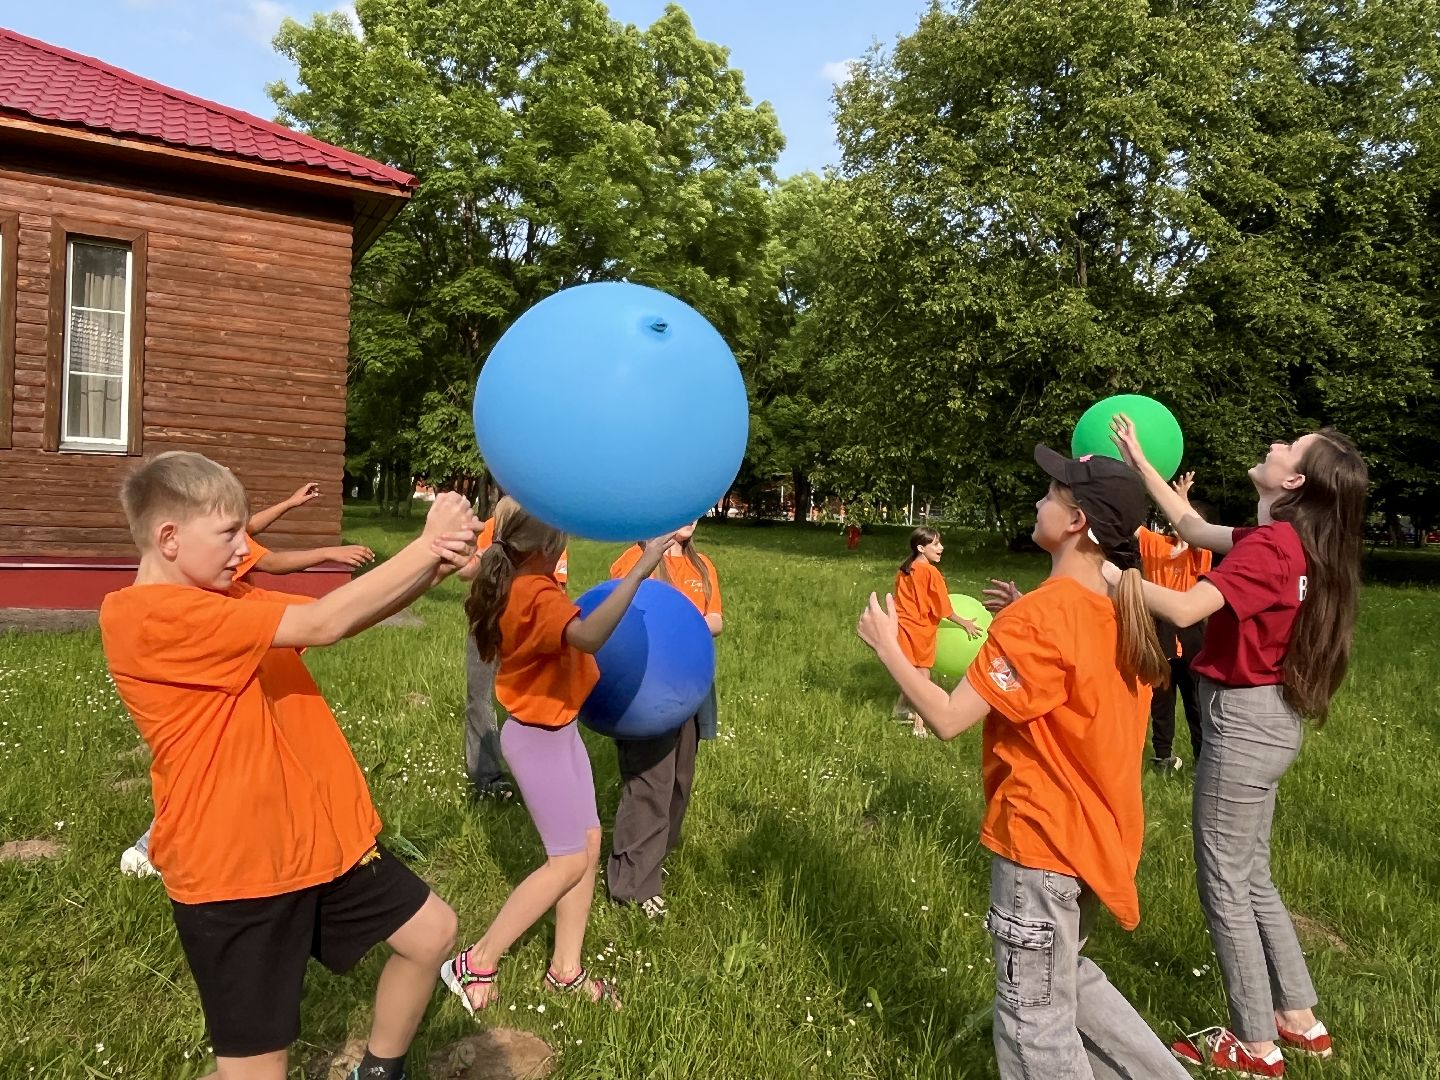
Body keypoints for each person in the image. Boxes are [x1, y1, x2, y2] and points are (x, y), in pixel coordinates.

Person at [100, 451, 480, 1080]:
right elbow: (323, 622)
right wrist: (429, 542)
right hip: (236, 871)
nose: (242, 548)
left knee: (431, 933)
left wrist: (434, 562)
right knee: (258, 1068)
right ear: (168, 538)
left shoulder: (225, 598)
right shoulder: (150, 617)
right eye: (228, 534)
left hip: (313, 843)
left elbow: (345, 613)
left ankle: (379, 1070)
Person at [857, 447, 1188, 1080]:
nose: (1038, 503)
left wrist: (890, 648)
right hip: (1098, 843)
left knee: (1032, 1025)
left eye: (1050, 495)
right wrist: (1017, 617)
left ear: (1076, 522)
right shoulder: (1120, 612)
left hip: (1041, 844)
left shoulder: (1042, 617)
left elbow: (950, 718)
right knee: (1067, 977)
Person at [1110, 417, 1366, 1076]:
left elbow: (1189, 610)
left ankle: (1253, 1043)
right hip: (1274, 718)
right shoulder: (1290, 540)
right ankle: (1299, 1019)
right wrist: (1143, 465)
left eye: (1290, 446)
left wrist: (1107, 580)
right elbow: (1193, 531)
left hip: (1245, 723)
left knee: (1224, 880)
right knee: (1251, 875)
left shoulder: (1272, 547)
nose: (1276, 444)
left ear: (1293, 480)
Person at [441, 498, 674, 1013]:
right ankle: (474, 962)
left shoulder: (521, 584)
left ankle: (565, 971)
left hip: (557, 729)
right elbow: (588, 636)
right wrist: (640, 569)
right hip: (537, 738)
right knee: (566, 860)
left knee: (587, 846)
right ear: (552, 545)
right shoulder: (535, 594)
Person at [119, 480, 375, 878]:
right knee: (209, 759)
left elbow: (253, 533)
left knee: (227, 756)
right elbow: (273, 565)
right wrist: (329, 551)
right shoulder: (179, 601)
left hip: (244, 636)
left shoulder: (222, 553)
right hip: (227, 636)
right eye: (228, 532)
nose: (240, 546)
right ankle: (152, 844)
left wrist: (289, 502)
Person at [604, 522, 722, 919]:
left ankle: (652, 863)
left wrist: (683, 628)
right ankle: (632, 887)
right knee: (650, 783)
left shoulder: (702, 565)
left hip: (691, 686)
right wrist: (687, 627)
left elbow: (717, 619)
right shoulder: (632, 562)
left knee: (678, 783)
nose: (688, 519)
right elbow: (625, 624)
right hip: (647, 690)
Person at [455, 475, 570, 800]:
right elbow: (468, 569)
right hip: (490, 622)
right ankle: (487, 780)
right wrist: (462, 551)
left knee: (535, 702)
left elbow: (557, 585)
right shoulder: (500, 523)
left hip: (533, 629)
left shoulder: (550, 529)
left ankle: (539, 777)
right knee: (481, 698)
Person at [1138, 472, 1214, 772]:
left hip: (1191, 630)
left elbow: (1199, 533)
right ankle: (1163, 757)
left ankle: (1202, 759)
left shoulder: (1200, 553)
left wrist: (1182, 498)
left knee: (1196, 701)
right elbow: (1128, 527)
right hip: (1159, 630)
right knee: (1161, 699)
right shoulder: (1155, 544)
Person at [891, 527, 980, 736]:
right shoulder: (930, 572)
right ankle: (919, 727)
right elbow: (942, 607)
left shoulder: (906, 568)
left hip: (903, 626)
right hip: (920, 630)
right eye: (936, 544)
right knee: (922, 678)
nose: (941, 547)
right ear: (921, 548)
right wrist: (964, 622)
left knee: (912, 673)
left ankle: (901, 710)